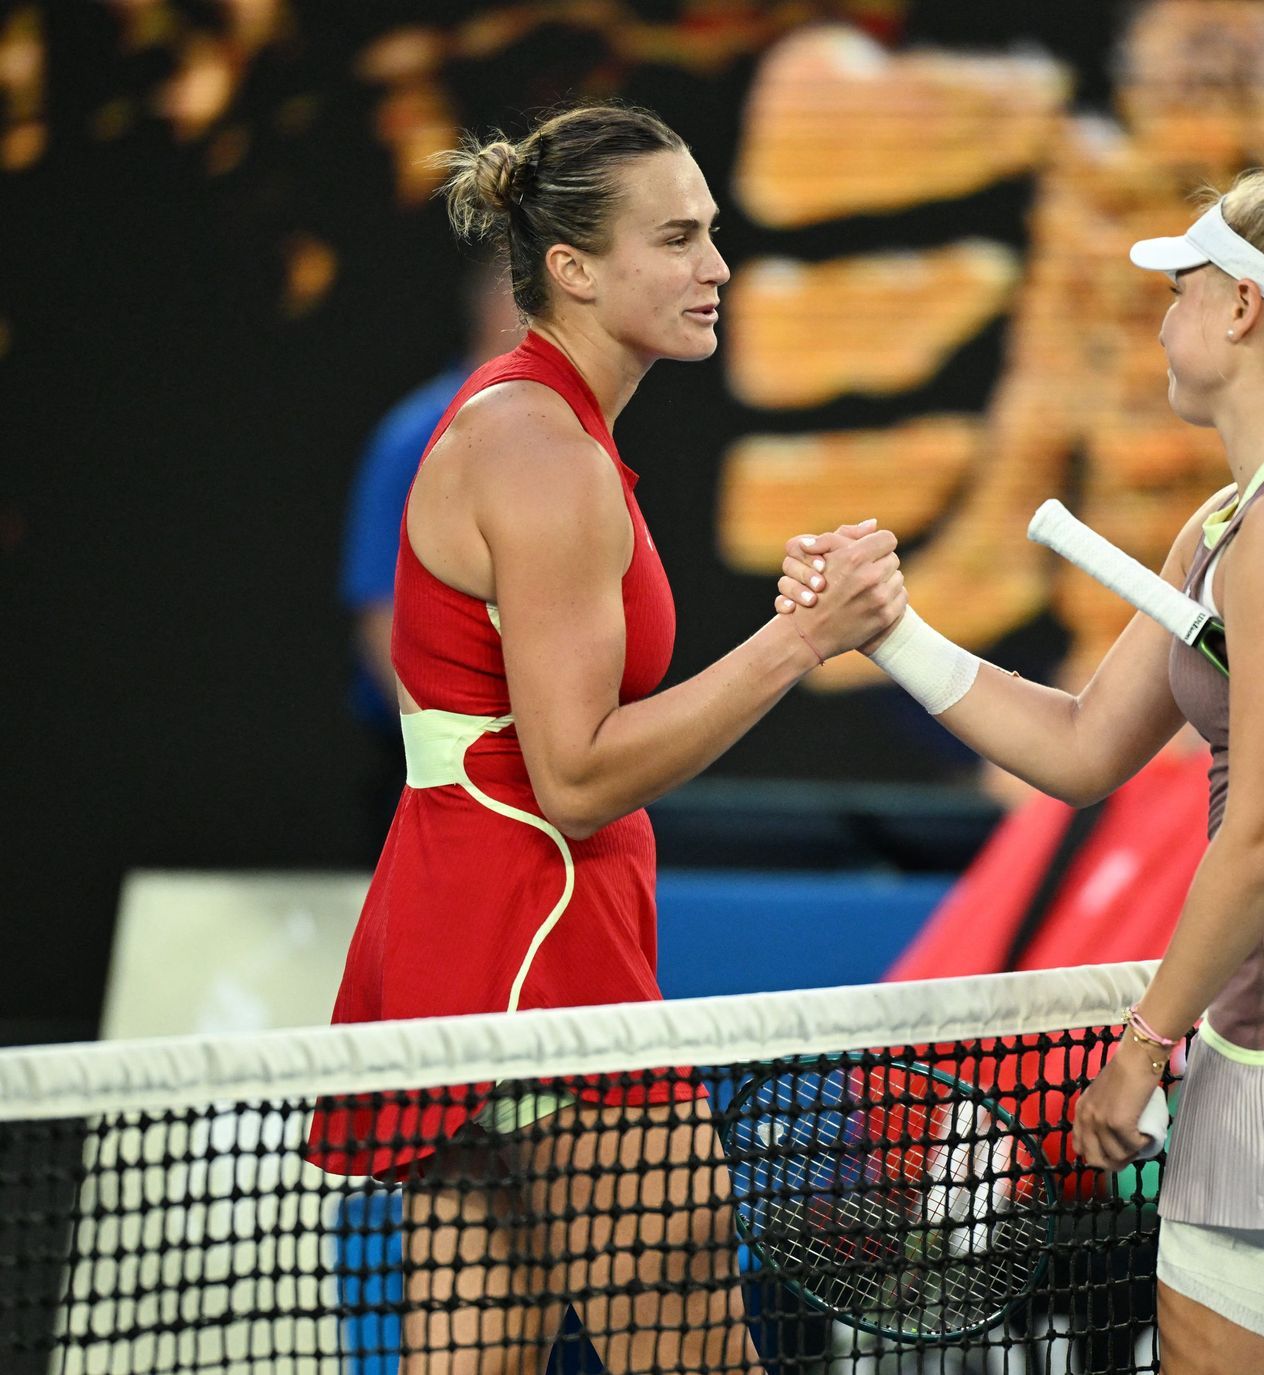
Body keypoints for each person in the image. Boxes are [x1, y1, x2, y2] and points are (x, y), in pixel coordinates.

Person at [778, 115, 1264, 1373]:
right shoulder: (1239, 519)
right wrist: (893, 632)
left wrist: (1141, 1050)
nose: (1159, 315)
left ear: (1243, 311)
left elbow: (1261, 835)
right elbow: (1082, 749)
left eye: (1180, 288)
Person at [303, 101, 903, 1375]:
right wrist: (802, 638)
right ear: (571, 269)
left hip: (479, 936)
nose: (717, 268)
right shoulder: (538, 448)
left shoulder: (538, 428)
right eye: (676, 238)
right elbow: (572, 774)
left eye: (713, 234)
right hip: (539, 941)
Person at [339, 257, 519, 843]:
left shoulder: (568, 439)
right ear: (499, 308)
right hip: (434, 779)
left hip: (533, 774)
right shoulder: (416, 437)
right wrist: (463, 759)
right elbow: (379, 623)